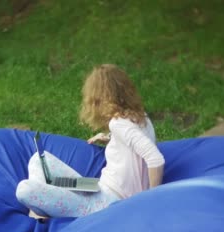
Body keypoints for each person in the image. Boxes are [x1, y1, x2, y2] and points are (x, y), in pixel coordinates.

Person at [15, 64, 165, 218]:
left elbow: (155, 159)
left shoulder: (119, 124)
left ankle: (39, 212)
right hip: (95, 188)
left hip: (106, 204)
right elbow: (133, 141)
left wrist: (150, 200)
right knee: (37, 160)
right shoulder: (140, 117)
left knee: (24, 189)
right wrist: (110, 138)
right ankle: (44, 201)